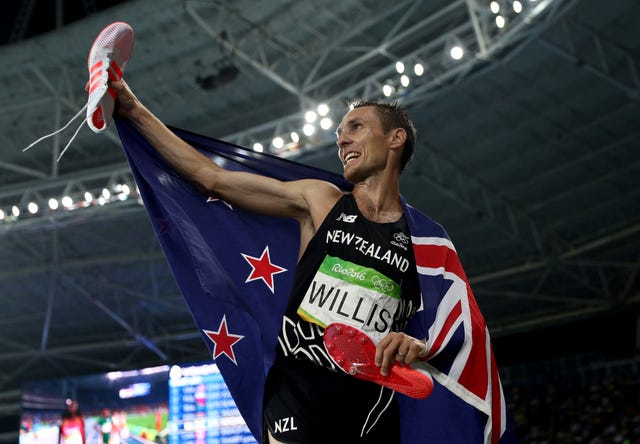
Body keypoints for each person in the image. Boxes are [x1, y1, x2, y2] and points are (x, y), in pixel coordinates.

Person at [110, 79, 504, 443]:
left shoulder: (426, 241)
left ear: (395, 138)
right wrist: (131, 107)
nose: (342, 140)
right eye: (339, 134)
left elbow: (456, 331)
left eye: (355, 128)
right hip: (296, 399)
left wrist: (415, 343)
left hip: (371, 413)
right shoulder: (321, 201)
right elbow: (212, 178)